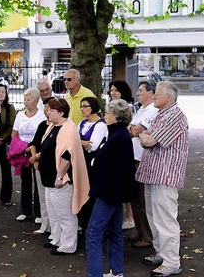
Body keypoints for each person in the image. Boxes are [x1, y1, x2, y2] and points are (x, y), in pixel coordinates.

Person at [136, 82, 189, 277]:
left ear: (169, 97)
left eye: (157, 94)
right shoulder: (162, 114)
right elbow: (147, 139)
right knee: (154, 216)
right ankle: (162, 254)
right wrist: (145, 137)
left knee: (165, 219)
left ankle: (172, 262)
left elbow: (148, 140)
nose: (154, 97)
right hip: (154, 173)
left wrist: (143, 135)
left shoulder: (174, 116)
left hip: (165, 176)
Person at [86, 99, 137, 277]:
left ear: (116, 116)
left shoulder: (118, 138)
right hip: (114, 193)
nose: (105, 116)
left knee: (93, 234)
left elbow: (114, 169)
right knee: (114, 233)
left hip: (109, 193)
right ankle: (117, 272)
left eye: (108, 113)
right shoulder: (119, 135)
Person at [37, 98, 89, 255]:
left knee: (64, 213)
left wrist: (60, 176)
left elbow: (67, 154)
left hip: (60, 179)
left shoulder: (68, 128)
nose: (47, 112)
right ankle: (57, 238)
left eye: (51, 110)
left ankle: (68, 245)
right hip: (48, 178)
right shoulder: (53, 126)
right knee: (53, 211)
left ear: (61, 113)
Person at [128, 81, 159, 248]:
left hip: (142, 159)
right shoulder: (141, 109)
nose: (137, 93)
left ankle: (147, 236)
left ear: (151, 93)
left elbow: (134, 130)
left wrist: (133, 129)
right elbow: (132, 127)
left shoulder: (152, 110)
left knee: (142, 199)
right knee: (135, 197)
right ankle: (139, 229)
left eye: (140, 90)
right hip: (134, 157)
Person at [12, 87, 45, 222]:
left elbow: (44, 135)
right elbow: (14, 133)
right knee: (25, 181)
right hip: (22, 152)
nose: (25, 102)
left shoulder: (42, 115)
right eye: (24, 99)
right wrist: (20, 146)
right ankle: (25, 211)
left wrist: (32, 148)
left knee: (38, 182)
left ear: (36, 100)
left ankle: (39, 212)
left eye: (28, 99)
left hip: (36, 152)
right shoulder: (20, 115)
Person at [108, 79, 137, 229]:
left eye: (116, 90)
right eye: (111, 90)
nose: (113, 92)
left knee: (126, 182)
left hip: (126, 148)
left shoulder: (128, 107)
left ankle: (130, 217)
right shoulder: (111, 106)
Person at [77, 97, 108, 233]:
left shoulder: (100, 125)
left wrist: (79, 142)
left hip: (92, 165)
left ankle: (92, 227)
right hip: (80, 162)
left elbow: (92, 146)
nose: (82, 109)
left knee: (90, 195)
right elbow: (72, 139)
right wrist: (82, 142)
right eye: (81, 106)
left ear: (94, 107)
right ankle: (83, 224)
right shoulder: (82, 123)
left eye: (86, 106)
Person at [28, 97, 54, 235]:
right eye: (45, 107)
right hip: (39, 165)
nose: (46, 111)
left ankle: (54, 228)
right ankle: (45, 225)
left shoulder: (58, 127)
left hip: (51, 166)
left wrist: (37, 156)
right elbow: (34, 143)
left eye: (50, 108)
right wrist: (35, 159)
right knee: (42, 196)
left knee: (52, 199)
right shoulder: (42, 125)